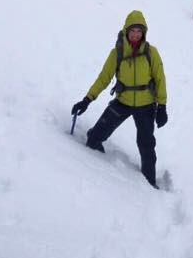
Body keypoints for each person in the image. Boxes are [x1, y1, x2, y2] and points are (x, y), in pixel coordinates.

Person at [71, 10, 167, 188]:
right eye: (133, 31)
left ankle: (149, 183)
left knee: (146, 145)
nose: (136, 35)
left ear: (144, 32)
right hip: (122, 101)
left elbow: (160, 79)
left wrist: (162, 106)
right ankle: (96, 158)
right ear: (126, 31)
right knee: (95, 138)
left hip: (146, 105)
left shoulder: (151, 52)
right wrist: (87, 100)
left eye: (139, 31)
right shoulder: (117, 53)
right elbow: (104, 78)